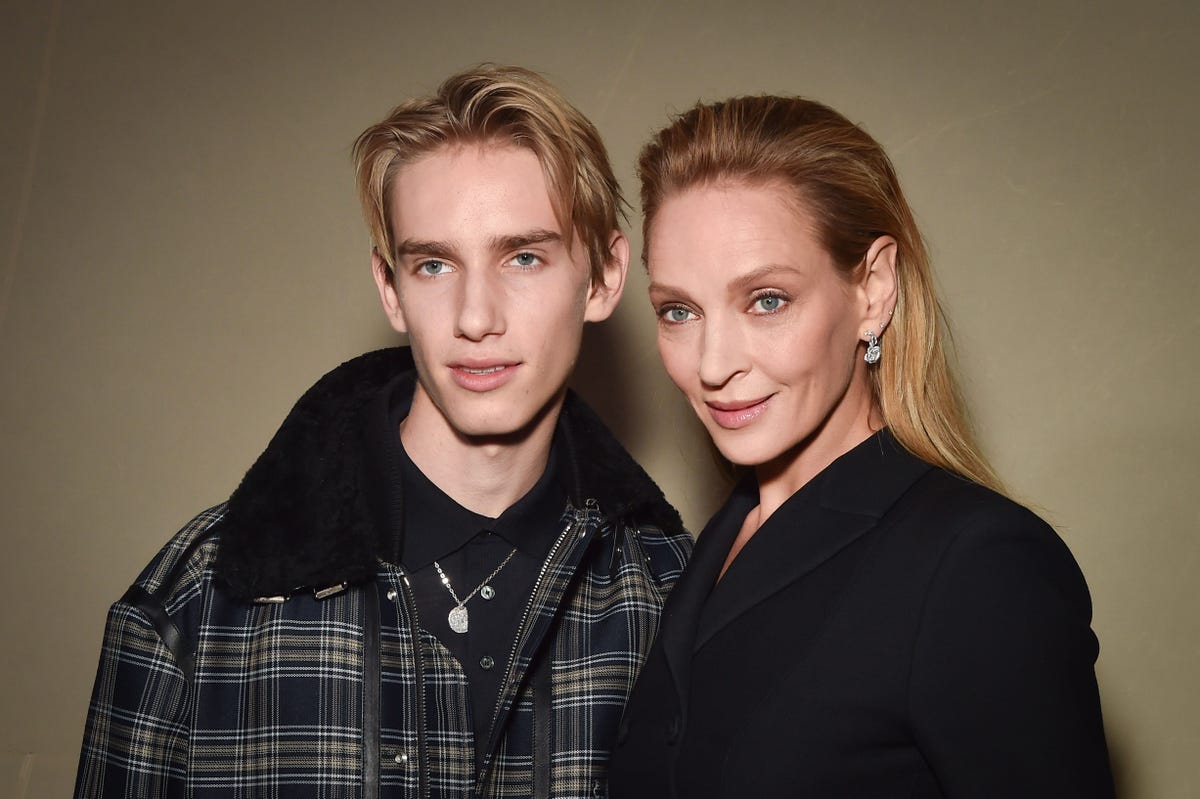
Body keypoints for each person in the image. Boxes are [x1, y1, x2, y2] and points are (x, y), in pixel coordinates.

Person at [75, 64, 692, 799]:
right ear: (391, 290)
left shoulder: (673, 596)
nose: (474, 316)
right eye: (434, 264)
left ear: (603, 277)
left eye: (523, 256)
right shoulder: (195, 601)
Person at [606, 96, 1114, 798]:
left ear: (873, 289)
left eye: (766, 300)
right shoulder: (705, 555)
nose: (713, 362)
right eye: (679, 311)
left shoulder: (976, 562)